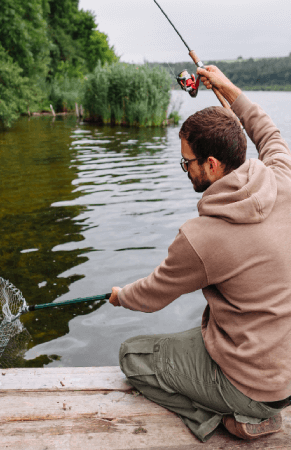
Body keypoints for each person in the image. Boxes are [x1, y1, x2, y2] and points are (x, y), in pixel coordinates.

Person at [109, 65, 291, 442]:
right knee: (202, 331)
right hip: (286, 372)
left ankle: (227, 421)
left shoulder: (201, 238)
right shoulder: (282, 178)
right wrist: (227, 87)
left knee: (133, 356)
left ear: (212, 164)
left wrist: (119, 296)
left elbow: (151, 296)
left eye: (187, 162)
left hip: (256, 385)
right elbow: (267, 131)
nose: (184, 169)